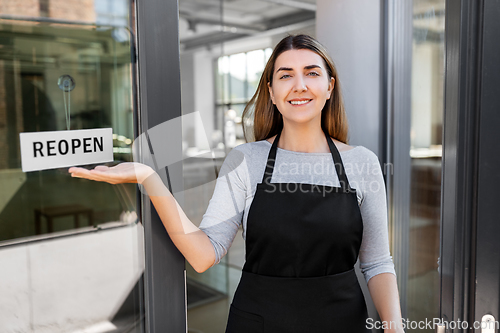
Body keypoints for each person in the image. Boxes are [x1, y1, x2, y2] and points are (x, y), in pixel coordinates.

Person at [69, 34, 404, 332]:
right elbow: (204, 255)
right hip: (258, 322)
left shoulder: (362, 162)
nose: (299, 85)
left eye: (312, 73)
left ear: (329, 87)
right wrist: (149, 178)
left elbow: (376, 263)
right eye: (285, 76)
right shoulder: (246, 160)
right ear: (271, 93)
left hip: (342, 323)